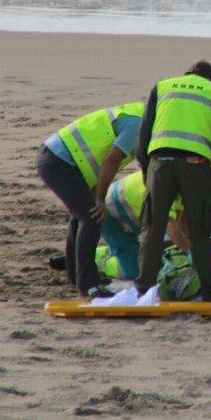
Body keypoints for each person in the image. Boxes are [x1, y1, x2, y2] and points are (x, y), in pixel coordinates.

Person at [132, 60, 211, 307]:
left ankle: (144, 289)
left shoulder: (163, 87)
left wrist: (146, 167)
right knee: (199, 230)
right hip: (195, 165)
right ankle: (210, 291)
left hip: (160, 162)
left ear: (187, 73)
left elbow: (143, 133)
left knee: (153, 227)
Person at [36, 102, 144, 298]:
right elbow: (111, 160)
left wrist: (96, 193)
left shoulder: (137, 115)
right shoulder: (137, 125)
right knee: (92, 217)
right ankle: (87, 285)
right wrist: (101, 199)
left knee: (81, 216)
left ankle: (76, 275)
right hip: (59, 161)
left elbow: (100, 158)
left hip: (60, 159)